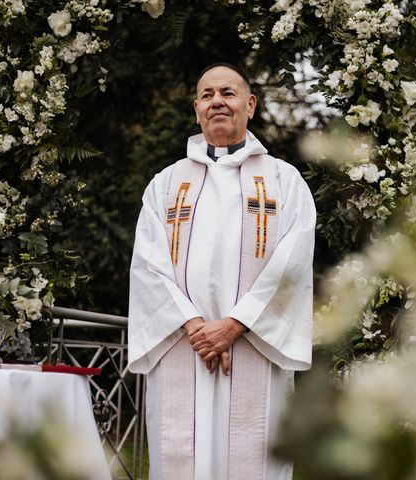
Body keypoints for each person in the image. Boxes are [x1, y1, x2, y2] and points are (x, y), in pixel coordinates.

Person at [127, 63, 316, 480]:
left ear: (250, 105)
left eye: (228, 93)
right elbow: (147, 266)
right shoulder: (166, 184)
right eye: (208, 94)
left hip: (254, 345)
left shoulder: (284, 181)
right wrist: (197, 326)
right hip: (183, 344)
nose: (217, 102)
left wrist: (233, 325)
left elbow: (293, 263)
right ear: (196, 110)